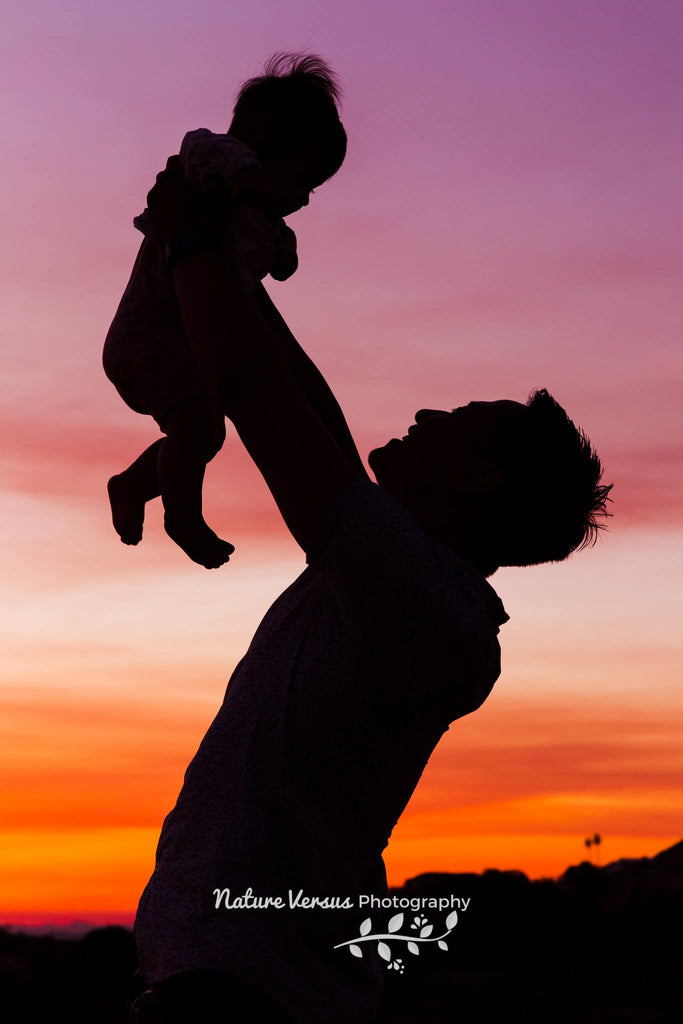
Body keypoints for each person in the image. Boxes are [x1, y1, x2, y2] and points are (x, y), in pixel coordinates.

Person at [127, 159, 612, 1024]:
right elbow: (298, 395)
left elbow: (259, 395)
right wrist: (233, 262)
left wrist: (190, 237)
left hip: (246, 1001)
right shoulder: (399, 578)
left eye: (451, 419)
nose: (424, 416)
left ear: (472, 474)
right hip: (246, 985)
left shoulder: (412, 592)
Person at [103, 53, 346, 569]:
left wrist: (282, 248)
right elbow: (202, 146)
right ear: (265, 146)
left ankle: (130, 486)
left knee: (203, 430)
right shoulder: (215, 167)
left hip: (188, 346)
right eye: (305, 181)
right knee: (200, 425)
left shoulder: (262, 216)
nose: (304, 198)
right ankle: (182, 517)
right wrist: (248, 181)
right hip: (149, 337)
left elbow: (278, 262)